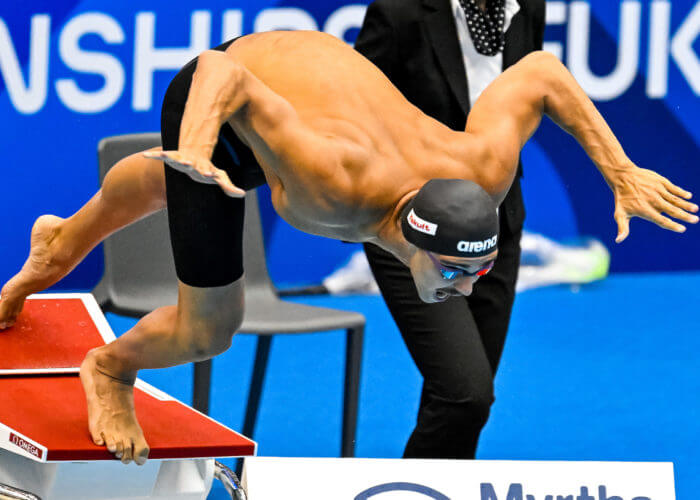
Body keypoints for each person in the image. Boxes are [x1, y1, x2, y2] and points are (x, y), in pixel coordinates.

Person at [0, 30, 695, 466]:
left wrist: (620, 169)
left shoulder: (482, 164)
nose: (466, 288)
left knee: (173, 184)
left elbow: (538, 71)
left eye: (475, 272)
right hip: (236, 92)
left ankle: (59, 239)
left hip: (301, 114)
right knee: (210, 324)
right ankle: (109, 369)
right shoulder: (332, 180)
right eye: (455, 273)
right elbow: (222, 73)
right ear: (411, 238)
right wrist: (195, 152)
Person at [352, 0, 542, 458]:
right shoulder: (398, 13)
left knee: (461, 401)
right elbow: (352, 115)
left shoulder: (529, 5)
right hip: (412, 230)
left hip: (495, 226)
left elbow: (530, 93)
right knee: (465, 394)